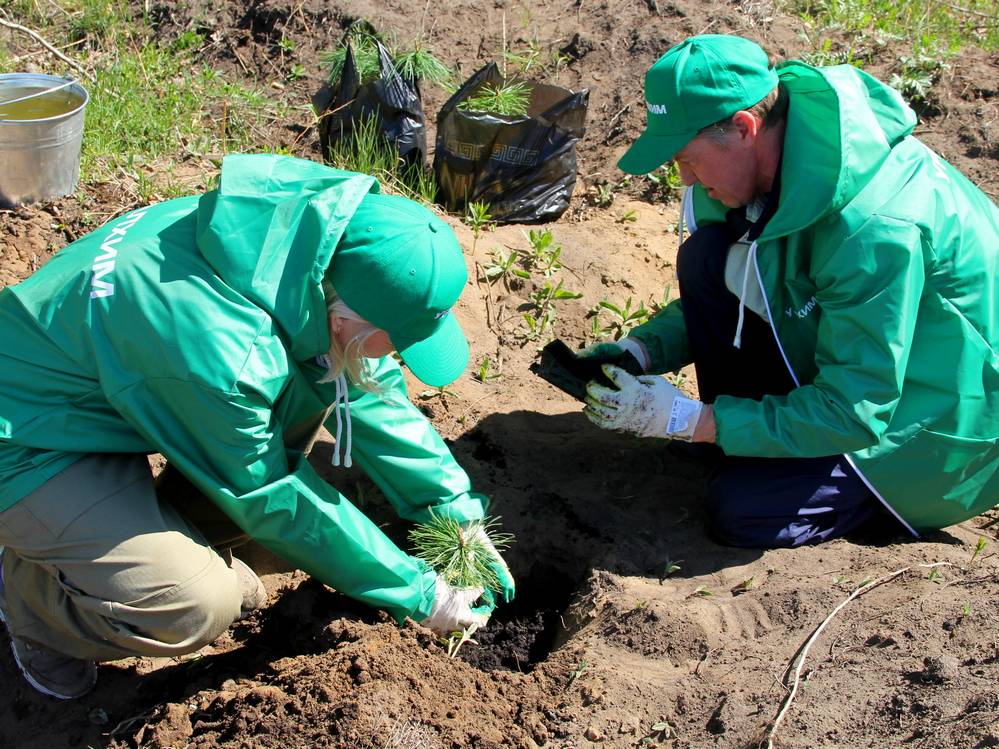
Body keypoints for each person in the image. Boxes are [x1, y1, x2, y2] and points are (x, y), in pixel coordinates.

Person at [0, 153, 514, 700]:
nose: (401, 355)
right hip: (26, 442)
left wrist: (454, 510)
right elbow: (270, 493)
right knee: (192, 605)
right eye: (401, 340)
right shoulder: (223, 353)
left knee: (300, 394)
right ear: (343, 316)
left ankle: (159, 545)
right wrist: (418, 593)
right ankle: (29, 605)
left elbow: (366, 388)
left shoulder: (302, 239)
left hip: (106, 395)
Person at [582, 34, 998, 549]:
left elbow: (856, 409)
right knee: (708, 256)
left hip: (937, 423)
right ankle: (742, 441)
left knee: (743, 510)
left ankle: (857, 498)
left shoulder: (872, 229)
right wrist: (641, 351)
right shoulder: (781, 171)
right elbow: (745, 286)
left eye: (687, 157)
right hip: (869, 370)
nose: (683, 177)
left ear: (743, 128)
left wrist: (693, 420)